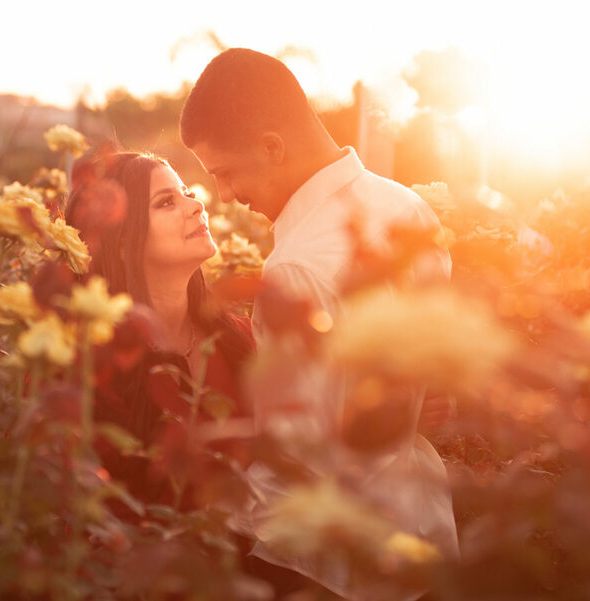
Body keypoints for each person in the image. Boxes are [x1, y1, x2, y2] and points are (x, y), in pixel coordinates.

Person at [179, 48, 459, 600]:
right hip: (421, 532)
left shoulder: (296, 267)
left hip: (326, 571)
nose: (225, 196)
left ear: (272, 147)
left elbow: (296, 464)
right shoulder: (408, 209)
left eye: (225, 173)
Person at [64, 150, 255, 506]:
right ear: (121, 242)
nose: (195, 206)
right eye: (166, 202)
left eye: (187, 193)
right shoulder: (84, 363)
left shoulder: (242, 339)